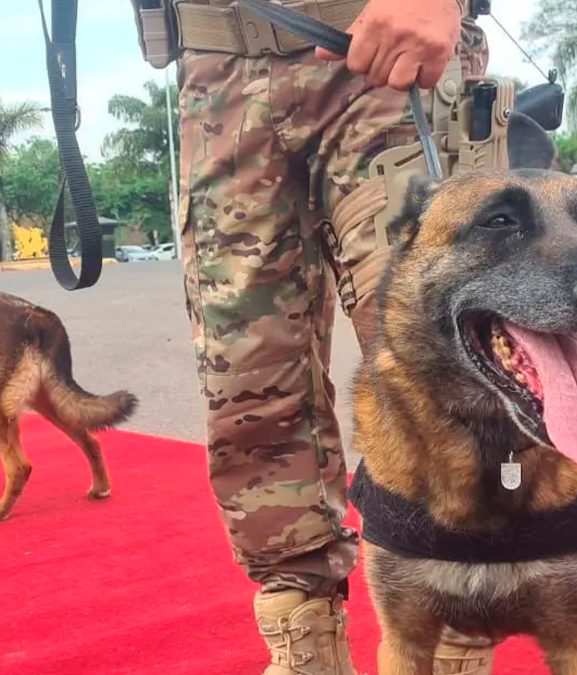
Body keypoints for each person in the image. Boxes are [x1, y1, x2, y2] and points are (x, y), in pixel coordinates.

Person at [163, 0, 497, 672]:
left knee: (447, 369)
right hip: (217, 71)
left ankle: (455, 644)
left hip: (379, 47)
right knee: (246, 385)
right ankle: (304, 644)